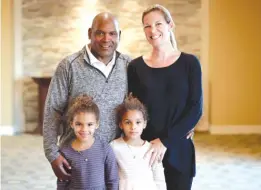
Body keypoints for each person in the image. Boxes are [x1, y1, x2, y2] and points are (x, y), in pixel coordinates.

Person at [43, 12, 131, 181]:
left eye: (112, 33)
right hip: (76, 158)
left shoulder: (128, 65)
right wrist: (52, 154)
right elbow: (52, 110)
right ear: (90, 33)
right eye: (100, 33)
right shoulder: (69, 66)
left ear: (119, 35)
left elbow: (140, 107)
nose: (107, 39)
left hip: (116, 157)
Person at [127, 4, 203, 190]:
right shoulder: (135, 67)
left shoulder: (190, 63)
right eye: (147, 26)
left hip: (179, 148)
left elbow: (195, 108)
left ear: (170, 25)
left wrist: (165, 141)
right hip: (146, 151)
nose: (152, 30)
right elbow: (132, 110)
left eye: (158, 23)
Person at [57, 94, 119, 190]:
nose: (84, 129)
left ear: (97, 124)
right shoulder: (65, 151)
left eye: (89, 124)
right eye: (79, 124)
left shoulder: (105, 148)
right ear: (71, 124)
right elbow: (62, 183)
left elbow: (112, 180)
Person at [110, 94, 166, 190]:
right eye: (128, 122)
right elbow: (110, 177)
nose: (133, 127)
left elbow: (159, 179)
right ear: (120, 125)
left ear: (144, 124)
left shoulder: (152, 149)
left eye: (138, 122)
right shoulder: (114, 147)